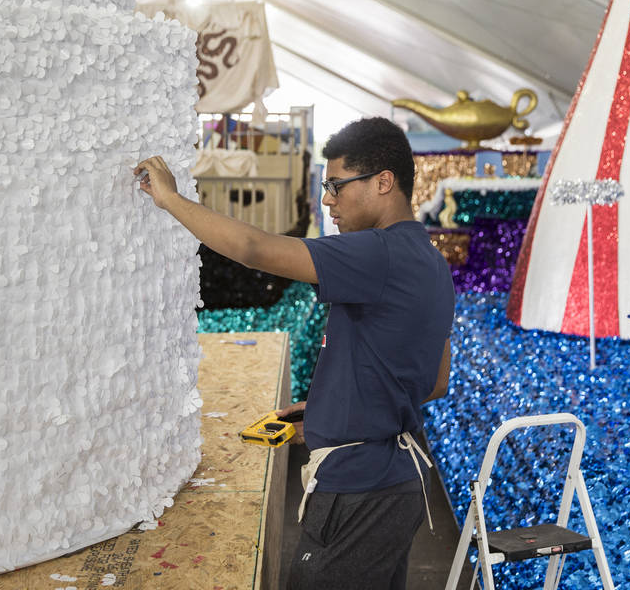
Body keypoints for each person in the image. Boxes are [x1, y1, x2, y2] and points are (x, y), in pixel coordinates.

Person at [134, 116, 455, 590]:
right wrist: (333, 413)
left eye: (337, 185)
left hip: (357, 491)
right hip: (398, 484)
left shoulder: (376, 252)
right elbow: (434, 382)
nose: (328, 199)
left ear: (384, 182)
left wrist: (170, 199)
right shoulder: (430, 259)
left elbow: (252, 248)